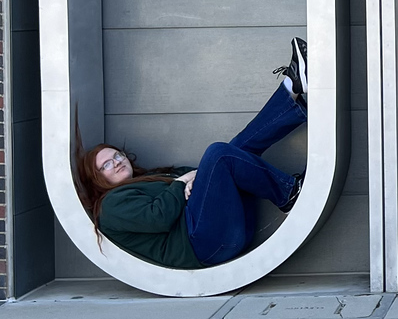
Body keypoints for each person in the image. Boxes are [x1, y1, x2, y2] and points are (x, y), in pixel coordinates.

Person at [77, 38, 309, 269]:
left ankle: (291, 91)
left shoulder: (146, 180)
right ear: (96, 179)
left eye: (117, 156)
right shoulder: (110, 206)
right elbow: (158, 217)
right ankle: (287, 191)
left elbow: (202, 175)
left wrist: (189, 179)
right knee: (219, 154)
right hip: (206, 245)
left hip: (223, 231)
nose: (116, 163)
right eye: (106, 165)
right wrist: (182, 183)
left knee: (231, 153)